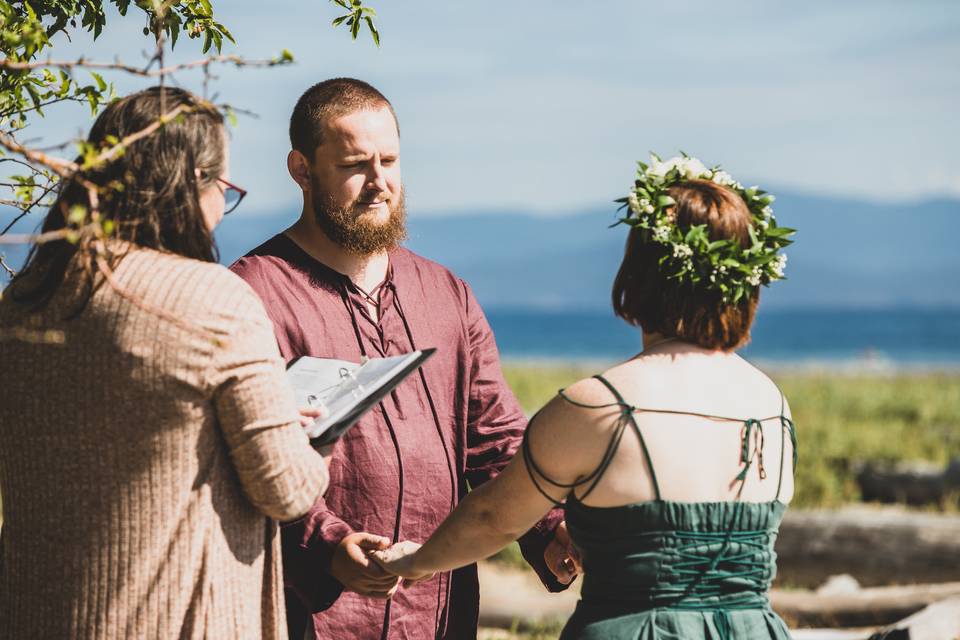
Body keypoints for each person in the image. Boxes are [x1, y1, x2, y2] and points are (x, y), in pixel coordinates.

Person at [373, 156, 798, 639]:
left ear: (639, 275)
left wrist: (417, 560)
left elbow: (494, 518)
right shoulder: (772, 403)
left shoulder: (598, 406)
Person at [229, 78, 576, 640]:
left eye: (389, 160)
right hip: (308, 617)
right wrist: (326, 544)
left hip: (440, 613)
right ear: (301, 169)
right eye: (354, 165)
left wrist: (549, 529)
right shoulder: (252, 295)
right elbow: (245, 459)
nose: (379, 182)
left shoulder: (446, 293)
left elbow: (497, 442)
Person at [0, 87, 330, 639]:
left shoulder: (25, 300)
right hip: (172, 618)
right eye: (223, 188)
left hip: (31, 613)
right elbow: (288, 490)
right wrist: (308, 438)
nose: (220, 210)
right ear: (190, 184)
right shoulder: (212, 300)